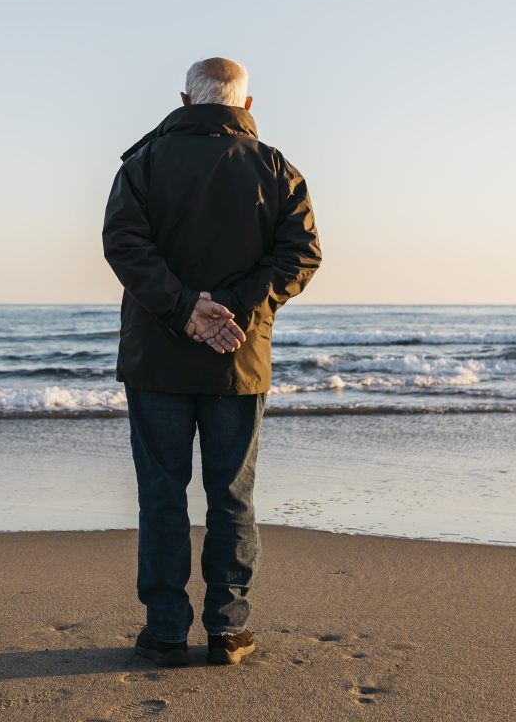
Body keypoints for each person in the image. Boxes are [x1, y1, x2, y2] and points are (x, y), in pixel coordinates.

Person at [102, 57, 322, 667]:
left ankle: (167, 631)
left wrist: (186, 309)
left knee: (162, 494)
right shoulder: (276, 168)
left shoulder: (142, 163)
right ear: (246, 106)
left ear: (185, 98)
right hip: (238, 359)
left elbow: (122, 244)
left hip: (157, 360)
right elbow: (301, 255)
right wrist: (233, 309)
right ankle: (228, 630)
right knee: (231, 496)